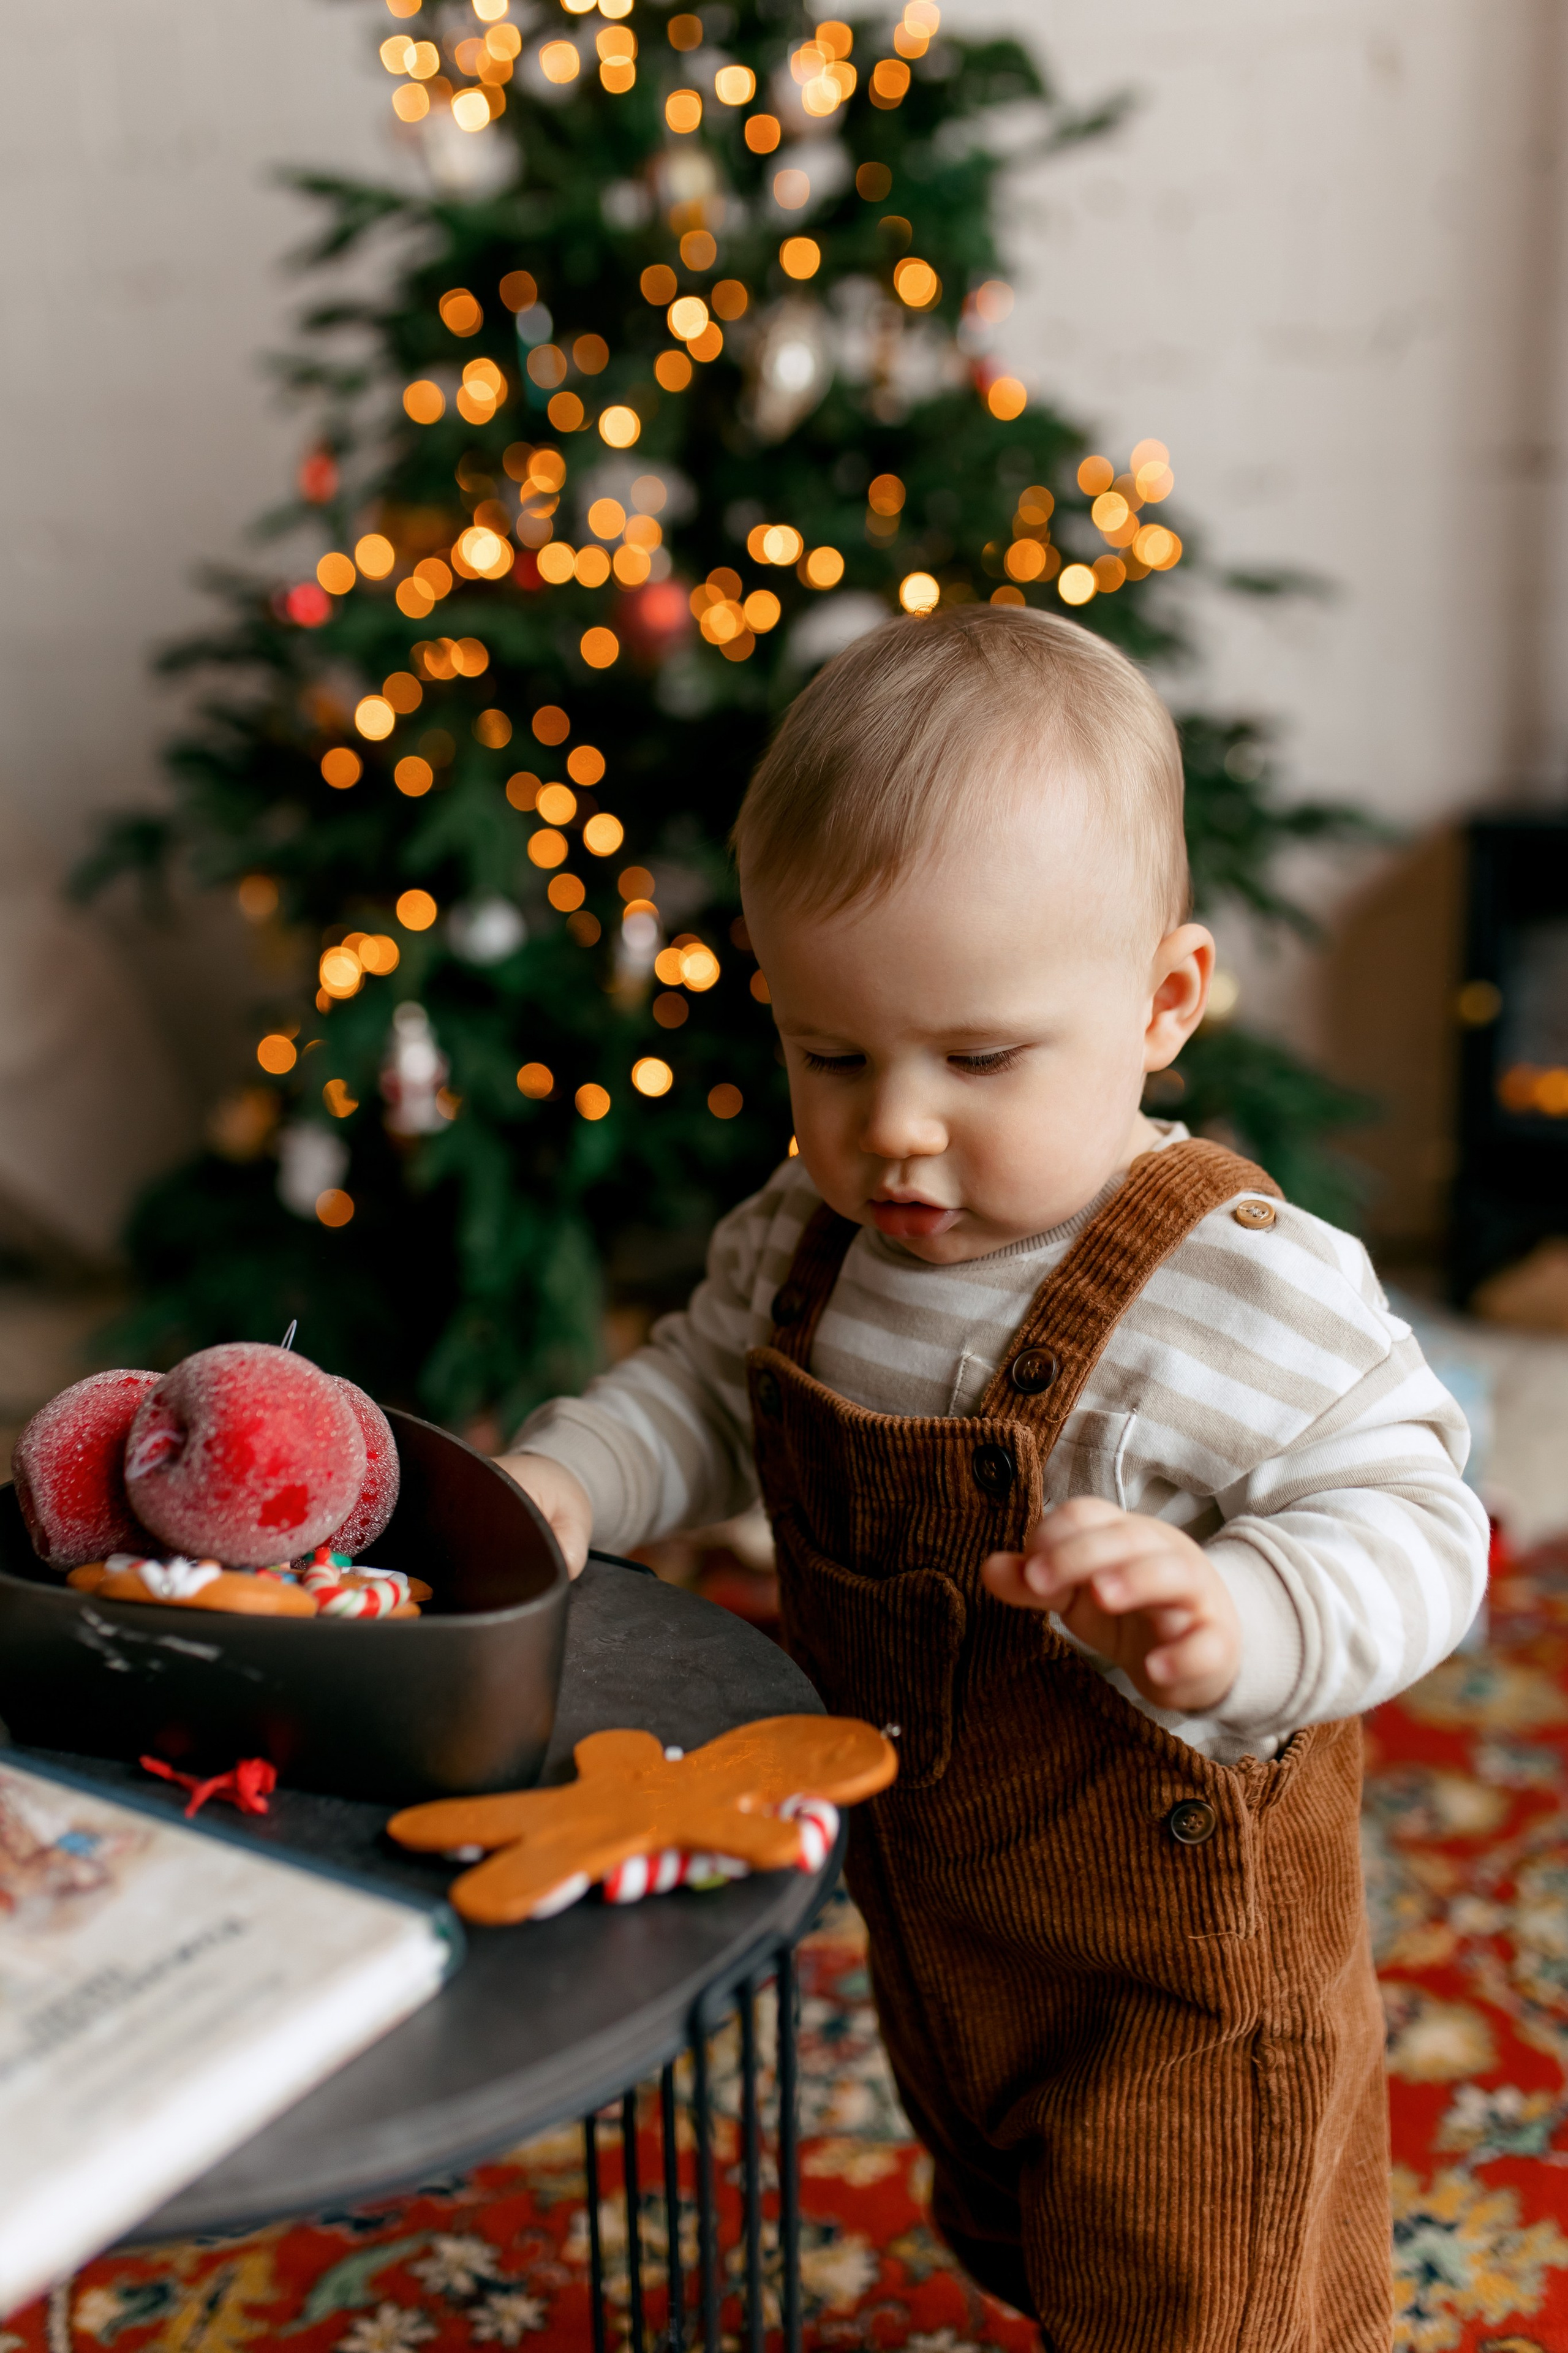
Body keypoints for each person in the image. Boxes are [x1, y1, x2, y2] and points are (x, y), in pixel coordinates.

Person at [501, 605, 1485, 2352]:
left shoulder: (1243, 1289)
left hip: (1183, 1978)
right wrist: (568, 1482)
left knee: (1206, 2295)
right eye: (832, 1054)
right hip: (949, 1930)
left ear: (1164, 1001)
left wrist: (1248, 1614)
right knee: (1041, 2234)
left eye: (978, 1058)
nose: (895, 1126)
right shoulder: (807, 1241)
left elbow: (1422, 1526)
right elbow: (703, 1392)